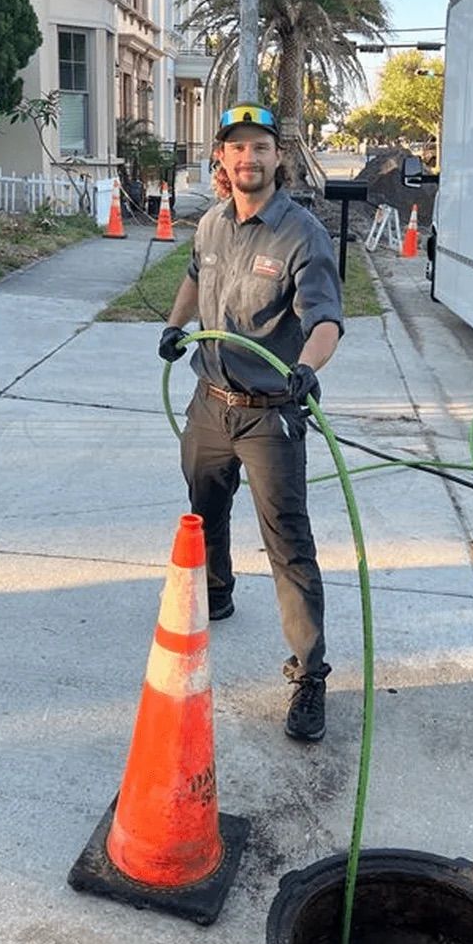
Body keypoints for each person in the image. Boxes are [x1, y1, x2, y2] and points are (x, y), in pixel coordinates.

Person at [158, 103, 344, 743]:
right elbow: (193, 277)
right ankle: (217, 590)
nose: (248, 158)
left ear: (277, 156)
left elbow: (325, 319)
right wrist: (175, 325)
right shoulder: (212, 224)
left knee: (288, 542)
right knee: (203, 508)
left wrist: (308, 366)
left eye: (259, 147)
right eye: (237, 147)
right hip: (210, 404)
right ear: (222, 157)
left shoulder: (302, 234)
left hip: (270, 414)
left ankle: (310, 674)